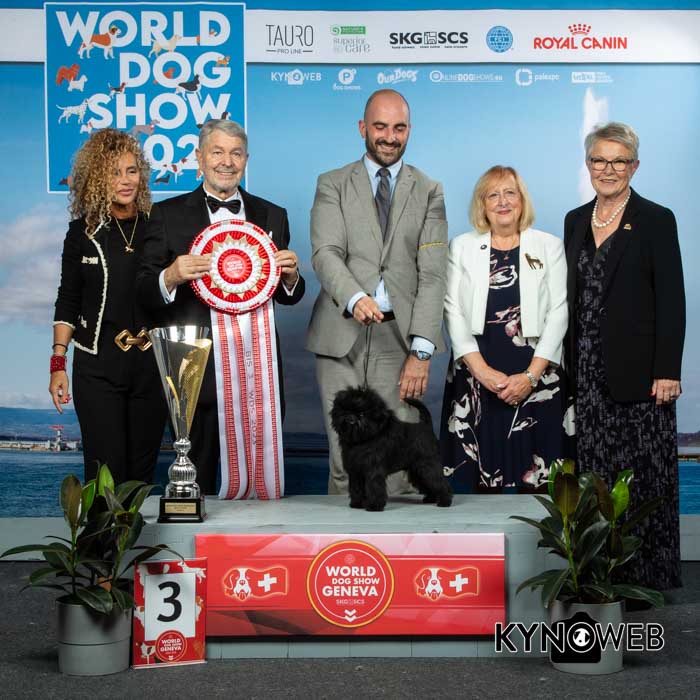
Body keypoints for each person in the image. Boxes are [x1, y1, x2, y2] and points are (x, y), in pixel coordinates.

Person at [136, 119, 304, 495]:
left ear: (246, 160)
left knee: (260, 485)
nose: (227, 162)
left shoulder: (273, 215)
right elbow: (143, 292)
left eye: (236, 153)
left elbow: (287, 295)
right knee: (196, 481)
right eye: (217, 152)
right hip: (197, 372)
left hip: (258, 375)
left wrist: (292, 277)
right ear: (199, 157)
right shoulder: (166, 214)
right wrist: (171, 275)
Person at [306, 89, 448, 495]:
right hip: (339, 335)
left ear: (409, 130)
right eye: (380, 127)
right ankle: (344, 535)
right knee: (346, 459)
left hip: (398, 340)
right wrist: (355, 297)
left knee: (398, 462)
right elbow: (325, 252)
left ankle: (396, 538)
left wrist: (421, 352)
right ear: (362, 128)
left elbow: (433, 273)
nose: (390, 137)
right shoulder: (332, 183)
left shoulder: (430, 190)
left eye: (399, 128)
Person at [564, 122, 685, 590]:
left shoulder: (656, 219)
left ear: (634, 166)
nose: (608, 169)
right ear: (588, 164)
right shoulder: (575, 220)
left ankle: (648, 581)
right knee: (596, 478)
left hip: (642, 376)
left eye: (619, 161)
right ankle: (601, 580)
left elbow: (671, 299)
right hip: (587, 373)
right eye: (599, 160)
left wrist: (667, 370)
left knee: (645, 479)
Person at [441, 166, 569, 493]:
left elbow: (559, 311)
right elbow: (452, 309)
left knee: (539, 484)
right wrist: (481, 371)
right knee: (478, 486)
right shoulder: (461, 246)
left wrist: (530, 377)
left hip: (537, 374)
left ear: (522, 201)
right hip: (477, 373)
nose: (503, 202)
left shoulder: (550, 245)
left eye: (510, 193)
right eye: (493, 195)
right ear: (482, 204)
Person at [50, 129, 167, 484]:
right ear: (97, 178)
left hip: (150, 367)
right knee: (104, 474)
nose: (125, 181)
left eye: (132, 171)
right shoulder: (81, 233)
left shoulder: (159, 227)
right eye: (114, 173)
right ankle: (100, 526)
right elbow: (68, 300)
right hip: (97, 367)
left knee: (140, 478)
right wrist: (58, 363)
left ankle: (132, 526)